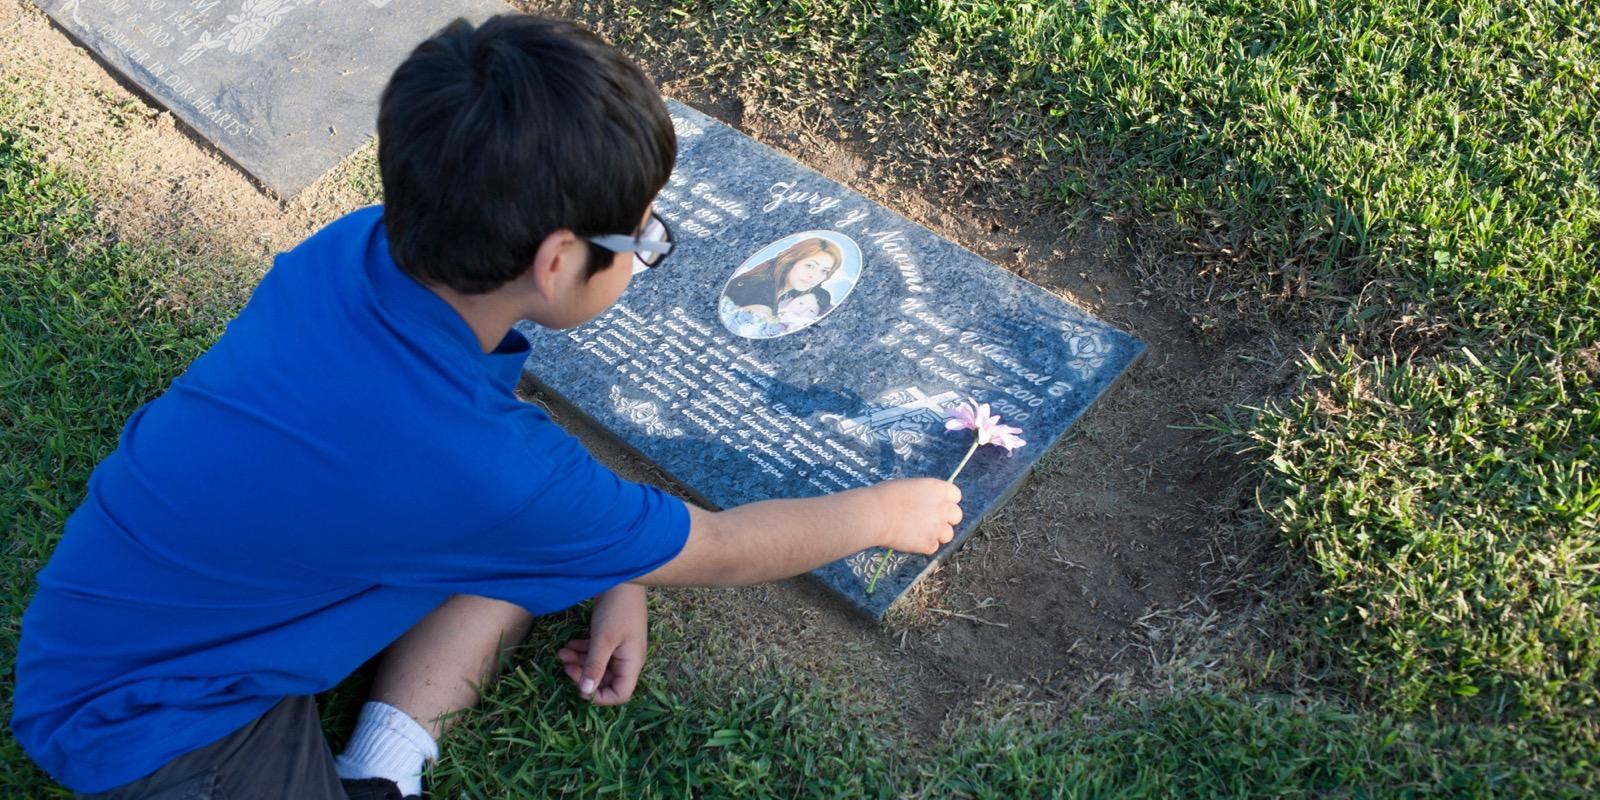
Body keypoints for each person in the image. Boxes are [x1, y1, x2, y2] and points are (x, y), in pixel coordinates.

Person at [10, 14, 961, 800]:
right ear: (556, 262)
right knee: (516, 541)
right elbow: (716, 550)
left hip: (169, 603)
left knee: (522, 547)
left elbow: (513, 490)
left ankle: (393, 727)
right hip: (149, 732)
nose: (643, 250)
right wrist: (883, 514)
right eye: (642, 237)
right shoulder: (483, 470)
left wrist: (618, 571)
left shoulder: (357, 250)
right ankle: (382, 774)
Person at [722, 237, 843, 318]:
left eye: (824, 271)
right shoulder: (762, 288)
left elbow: (821, 293)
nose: (814, 276)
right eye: (809, 265)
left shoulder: (792, 284)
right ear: (792, 260)